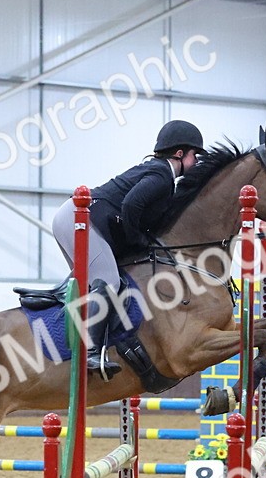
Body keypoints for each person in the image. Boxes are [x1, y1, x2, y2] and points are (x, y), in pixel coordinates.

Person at [52, 120, 205, 378]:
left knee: (92, 283)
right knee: (109, 281)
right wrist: (136, 240)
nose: (197, 161)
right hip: (79, 220)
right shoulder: (161, 176)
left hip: (73, 217)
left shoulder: (157, 172)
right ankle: (90, 354)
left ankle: (61, 320)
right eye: (195, 155)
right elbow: (131, 207)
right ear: (180, 153)